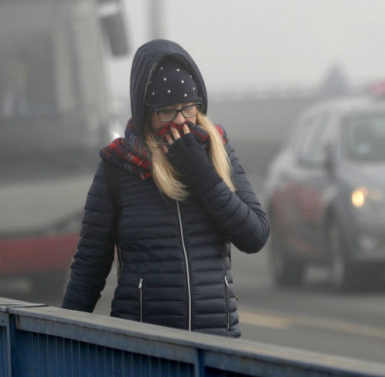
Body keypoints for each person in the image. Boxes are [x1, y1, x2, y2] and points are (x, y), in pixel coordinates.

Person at [61, 39, 269, 337]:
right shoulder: (118, 166)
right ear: (146, 113)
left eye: (189, 108)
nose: (181, 121)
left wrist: (201, 173)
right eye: (168, 112)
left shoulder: (218, 151)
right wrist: (61, 335)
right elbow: (90, 265)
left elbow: (255, 235)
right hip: (144, 347)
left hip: (217, 344)